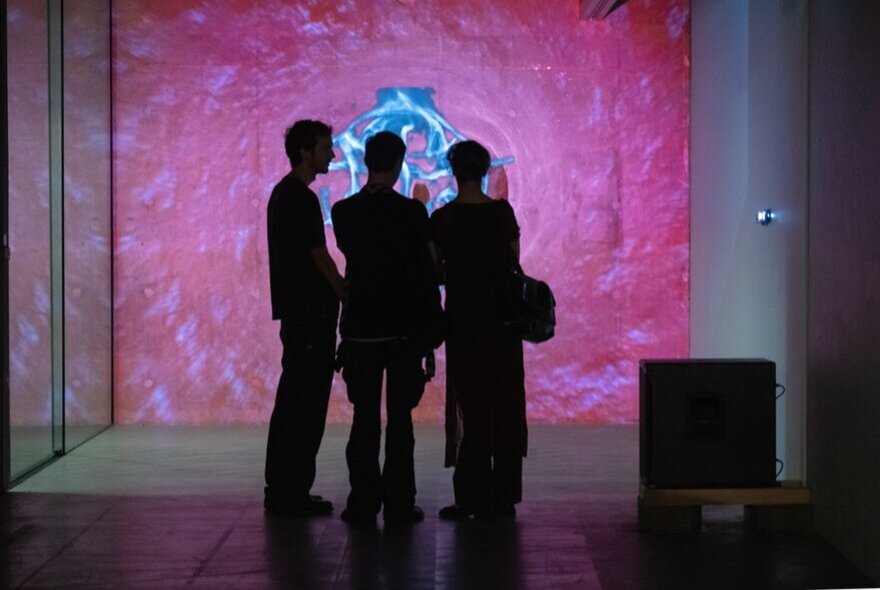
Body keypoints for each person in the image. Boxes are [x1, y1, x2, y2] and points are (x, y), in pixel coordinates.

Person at [331, 131, 442, 525]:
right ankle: (398, 501)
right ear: (398, 165)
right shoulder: (413, 214)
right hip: (401, 332)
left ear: (365, 163)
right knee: (400, 421)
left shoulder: (343, 213)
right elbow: (424, 275)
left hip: (360, 328)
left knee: (364, 418)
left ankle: (362, 501)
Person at [430, 140, 527, 519]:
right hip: (502, 323)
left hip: (465, 322)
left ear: (455, 172)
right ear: (484, 170)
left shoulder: (443, 218)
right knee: (503, 405)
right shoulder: (502, 213)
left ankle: (471, 497)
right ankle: (503, 497)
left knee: (470, 407)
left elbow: (436, 271)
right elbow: (514, 260)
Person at [264, 119, 345, 517]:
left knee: (293, 401)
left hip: (299, 316)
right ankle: (292, 490)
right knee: (305, 405)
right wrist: (345, 292)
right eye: (326, 147)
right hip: (312, 316)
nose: (332, 154)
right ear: (305, 152)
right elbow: (319, 256)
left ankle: (283, 487)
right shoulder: (301, 199)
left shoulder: (283, 194)